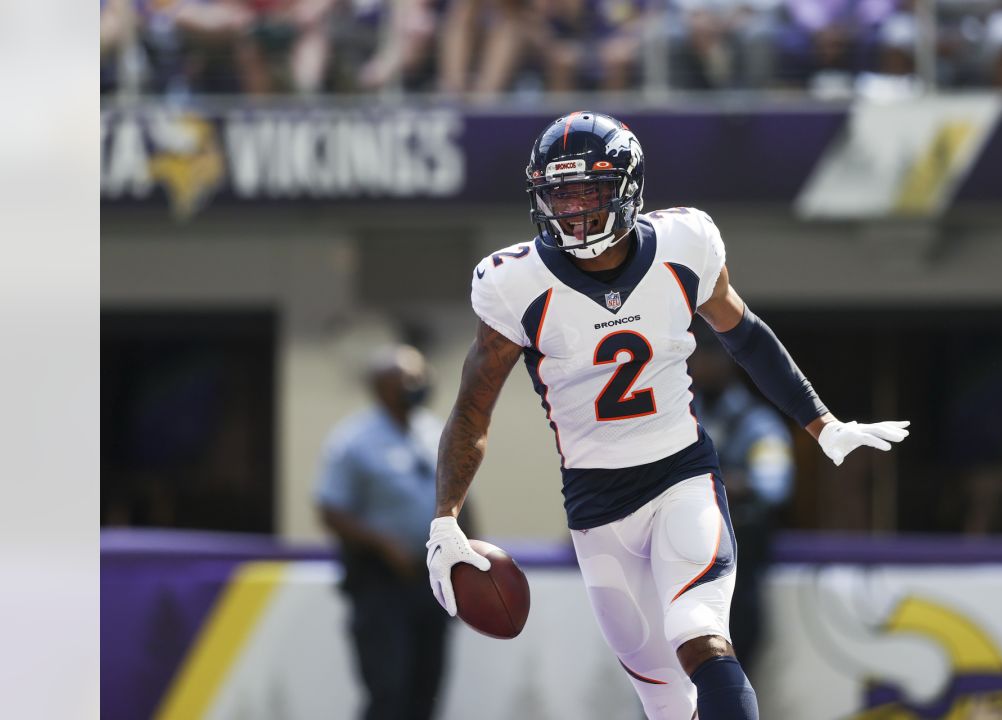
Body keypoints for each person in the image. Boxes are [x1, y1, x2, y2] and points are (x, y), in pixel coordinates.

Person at [425, 112, 910, 720]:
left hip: (682, 476)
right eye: (560, 193)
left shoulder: (685, 244)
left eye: (590, 190)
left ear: (627, 188)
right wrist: (444, 519)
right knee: (663, 696)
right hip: (595, 504)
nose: (573, 209)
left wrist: (821, 422)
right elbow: (473, 408)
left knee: (701, 634)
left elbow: (745, 334)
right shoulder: (512, 282)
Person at [316, 345, 451, 720]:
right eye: (407, 379)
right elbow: (330, 509)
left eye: (420, 376)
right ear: (381, 388)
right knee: (389, 693)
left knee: (427, 692)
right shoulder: (354, 442)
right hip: (381, 585)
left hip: (431, 583)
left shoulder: (432, 430)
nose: (418, 384)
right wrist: (383, 544)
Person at [688, 332, 795, 675]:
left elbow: (774, 485)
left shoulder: (758, 423)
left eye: (707, 357)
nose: (698, 366)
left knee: (733, 672)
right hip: (684, 561)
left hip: (738, 570)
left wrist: (714, 483)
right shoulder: (683, 417)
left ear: (726, 363)